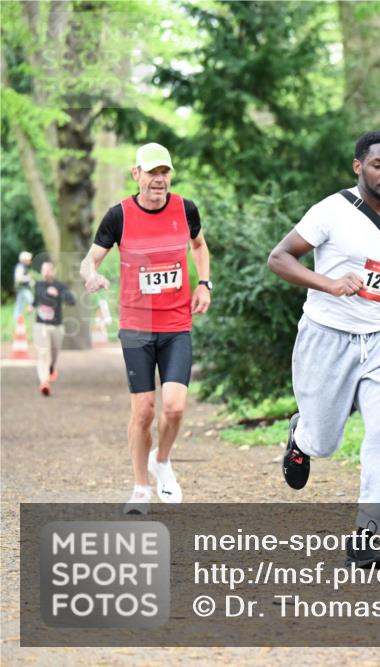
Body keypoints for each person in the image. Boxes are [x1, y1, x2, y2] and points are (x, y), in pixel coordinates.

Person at [267, 130, 380, 569]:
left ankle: (366, 536)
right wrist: (329, 283)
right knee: (324, 443)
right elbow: (279, 258)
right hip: (327, 337)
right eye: (379, 164)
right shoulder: (332, 211)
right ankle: (302, 436)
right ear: (359, 166)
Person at [80, 143, 212, 514]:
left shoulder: (185, 209)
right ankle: (140, 488)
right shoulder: (118, 215)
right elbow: (90, 260)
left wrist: (204, 283)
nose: (159, 179)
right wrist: (91, 276)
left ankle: (162, 461)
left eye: (164, 172)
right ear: (136, 174)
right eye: (152, 172)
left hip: (176, 324)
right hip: (137, 327)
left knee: (175, 408)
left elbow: (199, 246)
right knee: (143, 411)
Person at [32, 261, 75, 396]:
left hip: (57, 326)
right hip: (41, 325)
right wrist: (32, 306)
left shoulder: (60, 286)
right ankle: (44, 382)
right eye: (43, 270)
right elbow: (38, 297)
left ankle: (51, 368)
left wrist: (59, 294)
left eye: (48, 270)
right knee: (43, 353)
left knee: (54, 354)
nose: (45, 272)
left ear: (53, 271)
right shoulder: (39, 285)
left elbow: (71, 301)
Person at [13, 251, 34, 321]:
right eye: (29, 259)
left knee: (20, 305)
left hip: (23, 288)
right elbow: (18, 279)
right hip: (22, 289)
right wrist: (28, 278)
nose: (30, 261)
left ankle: (17, 319)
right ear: (25, 259)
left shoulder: (24, 267)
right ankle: (29, 317)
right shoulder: (20, 267)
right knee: (31, 301)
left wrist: (31, 282)